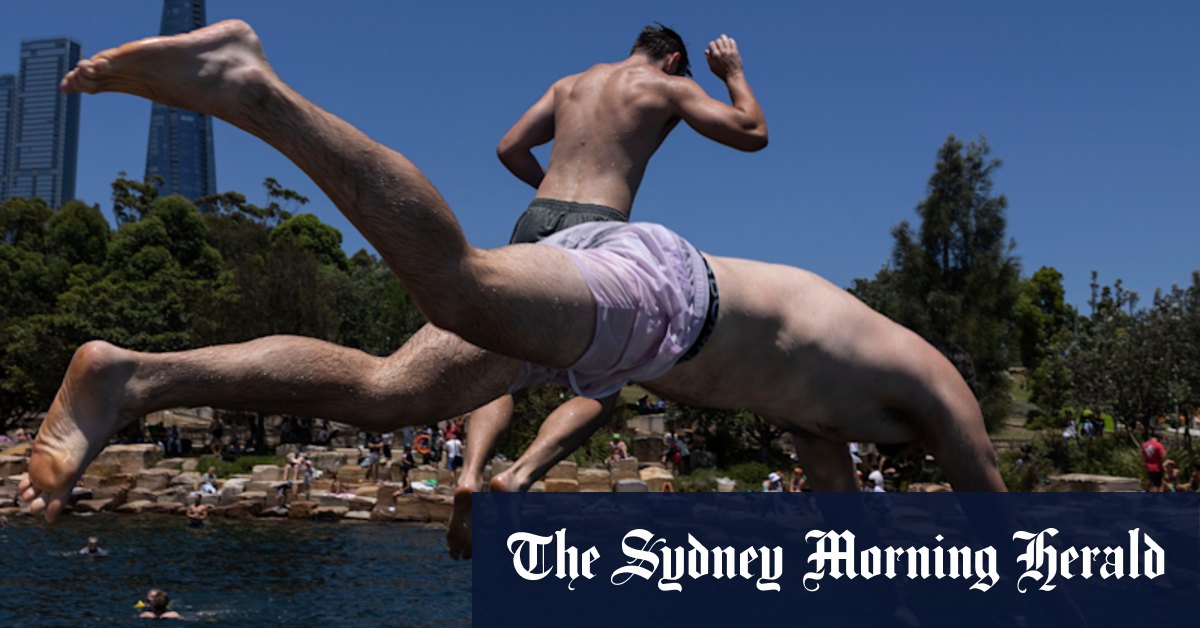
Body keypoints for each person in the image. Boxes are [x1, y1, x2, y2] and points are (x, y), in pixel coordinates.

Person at [22, 21, 1003, 548]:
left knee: (390, 392)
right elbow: (990, 517)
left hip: (589, 262)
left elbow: (837, 522)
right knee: (458, 289)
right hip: (656, 293)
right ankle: (253, 87)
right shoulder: (930, 380)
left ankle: (135, 376)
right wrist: (736, 73)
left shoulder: (829, 406)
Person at [454, 25, 766, 543]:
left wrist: (553, 196)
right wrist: (732, 73)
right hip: (600, 228)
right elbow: (752, 132)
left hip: (535, 219)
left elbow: (510, 148)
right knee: (605, 382)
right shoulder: (668, 87)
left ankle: (468, 475)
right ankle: (519, 475)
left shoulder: (568, 84)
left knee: (498, 365)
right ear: (671, 60)